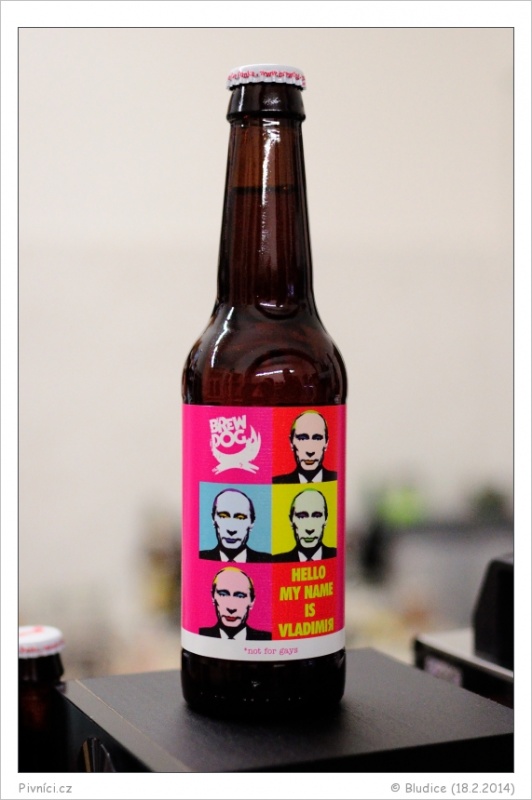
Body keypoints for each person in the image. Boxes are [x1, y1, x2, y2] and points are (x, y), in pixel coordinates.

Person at [199, 567, 271, 640]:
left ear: (252, 601)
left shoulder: (266, 638)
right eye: (223, 594)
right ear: (213, 597)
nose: (231, 608)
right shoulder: (200, 634)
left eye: (240, 596)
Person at [200, 488, 270, 562]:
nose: (231, 530)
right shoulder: (201, 557)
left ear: (252, 523)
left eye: (240, 518)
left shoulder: (267, 560)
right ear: (213, 520)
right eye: (223, 516)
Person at [272, 410, 337, 483]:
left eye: (317, 438)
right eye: (302, 438)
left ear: (326, 442)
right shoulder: (276, 483)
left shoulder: (337, 478)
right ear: (291, 442)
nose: (310, 451)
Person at [274, 489, 336, 562]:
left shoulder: (336, 554)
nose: (309, 529)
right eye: (301, 516)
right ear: (291, 520)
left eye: (317, 516)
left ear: (326, 519)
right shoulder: (278, 561)